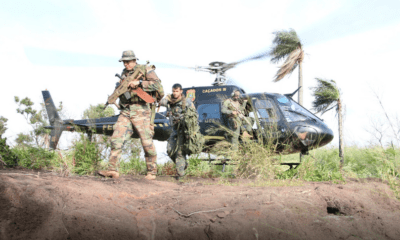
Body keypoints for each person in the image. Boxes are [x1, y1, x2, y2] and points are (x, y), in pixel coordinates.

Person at [98, 50, 164, 180]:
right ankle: (112, 170)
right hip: (127, 110)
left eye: (128, 61)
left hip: (142, 110)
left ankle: (152, 172)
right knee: (116, 138)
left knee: (146, 141)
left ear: (134, 60)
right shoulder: (124, 74)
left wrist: (139, 83)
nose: (126, 64)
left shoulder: (145, 69)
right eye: (124, 62)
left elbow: (158, 85)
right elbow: (125, 92)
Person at [159, 84, 196, 177]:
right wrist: (167, 97)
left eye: (177, 91)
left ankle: (180, 174)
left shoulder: (186, 102)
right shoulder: (171, 101)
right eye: (173, 91)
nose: (175, 93)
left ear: (181, 91)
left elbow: (195, 116)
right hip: (174, 129)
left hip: (183, 130)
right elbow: (161, 102)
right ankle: (183, 164)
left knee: (180, 152)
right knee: (170, 150)